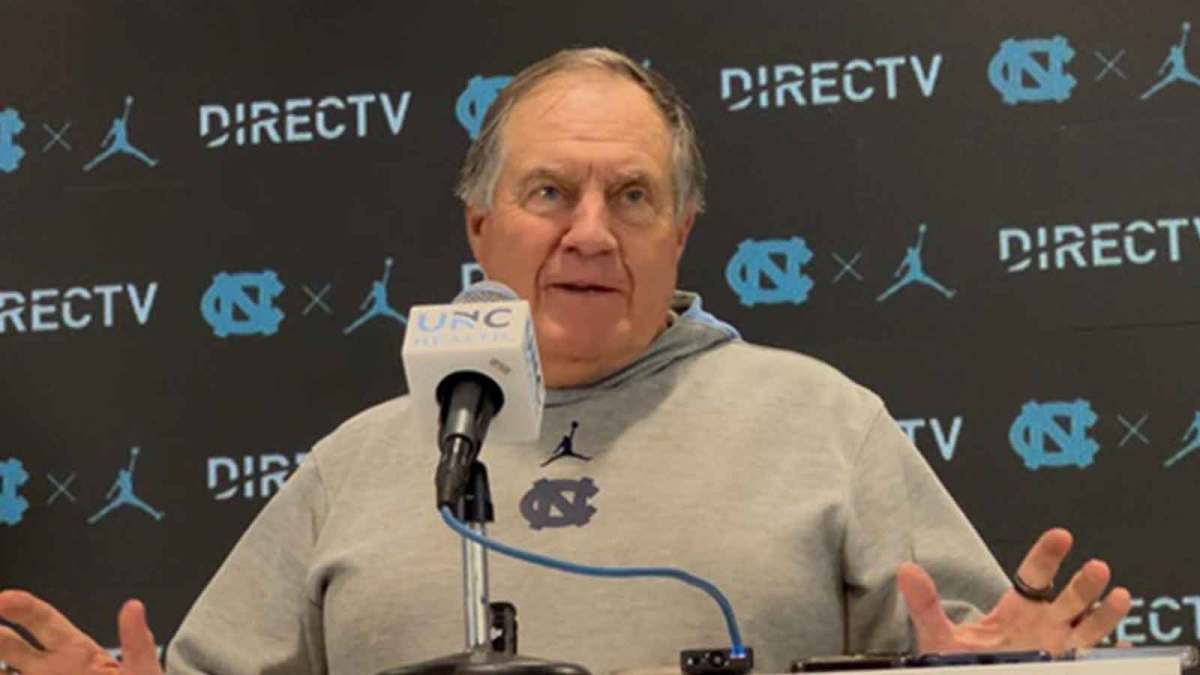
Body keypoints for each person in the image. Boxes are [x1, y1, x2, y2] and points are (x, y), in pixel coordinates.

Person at [0, 47, 1131, 675]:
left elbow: (975, 657)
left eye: (632, 196)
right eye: (550, 192)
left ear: (679, 234)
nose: (590, 230)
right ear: (480, 227)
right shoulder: (353, 464)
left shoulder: (823, 420)